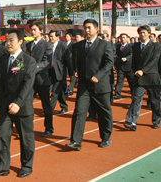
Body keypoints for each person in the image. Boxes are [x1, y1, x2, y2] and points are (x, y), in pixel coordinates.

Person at [0, 28, 36, 178]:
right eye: (6, 40)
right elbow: (0, 83)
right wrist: (0, 104)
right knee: (2, 135)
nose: (7, 43)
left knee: (26, 138)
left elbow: (28, 85)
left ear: (20, 41)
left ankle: (26, 166)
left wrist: (18, 103)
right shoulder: (3, 60)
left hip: (22, 106)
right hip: (5, 106)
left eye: (11, 40)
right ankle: (2, 167)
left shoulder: (28, 61)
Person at [66, 19, 114, 151]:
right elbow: (77, 63)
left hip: (100, 85)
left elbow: (109, 63)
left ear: (96, 29)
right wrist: (75, 72)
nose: (87, 30)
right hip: (84, 85)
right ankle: (76, 141)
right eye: (85, 28)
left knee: (104, 113)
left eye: (90, 28)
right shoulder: (79, 46)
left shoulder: (105, 45)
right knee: (79, 112)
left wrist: (98, 76)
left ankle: (105, 137)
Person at [125, 25, 161, 131]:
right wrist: (133, 69)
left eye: (144, 32)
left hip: (152, 77)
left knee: (154, 100)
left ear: (149, 34)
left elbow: (154, 61)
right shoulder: (135, 46)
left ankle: (156, 120)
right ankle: (132, 121)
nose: (142, 34)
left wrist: (143, 70)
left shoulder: (156, 46)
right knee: (136, 99)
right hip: (139, 77)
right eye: (140, 33)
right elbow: (135, 60)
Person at [26, 21, 53, 136]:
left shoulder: (47, 45)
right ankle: (27, 129)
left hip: (42, 79)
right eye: (31, 30)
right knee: (27, 104)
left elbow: (45, 61)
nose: (33, 32)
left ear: (41, 31)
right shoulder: (28, 45)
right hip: (30, 81)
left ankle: (49, 128)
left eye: (35, 29)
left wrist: (32, 69)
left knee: (46, 106)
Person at [48, 30, 74, 121]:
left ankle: (49, 109)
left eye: (52, 36)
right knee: (59, 91)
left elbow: (68, 61)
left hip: (60, 72)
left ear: (58, 37)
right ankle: (64, 106)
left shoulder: (63, 46)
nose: (50, 38)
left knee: (55, 91)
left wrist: (71, 73)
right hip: (50, 71)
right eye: (49, 36)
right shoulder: (48, 45)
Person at [114, 33, 133, 99]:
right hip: (120, 66)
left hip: (129, 67)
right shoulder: (117, 46)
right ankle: (117, 94)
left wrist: (126, 58)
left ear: (127, 38)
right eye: (121, 37)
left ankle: (133, 95)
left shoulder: (131, 46)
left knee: (131, 82)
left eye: (124, 37)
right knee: (119, 81)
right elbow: (115, 53)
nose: (122, 39)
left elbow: (131, 54)